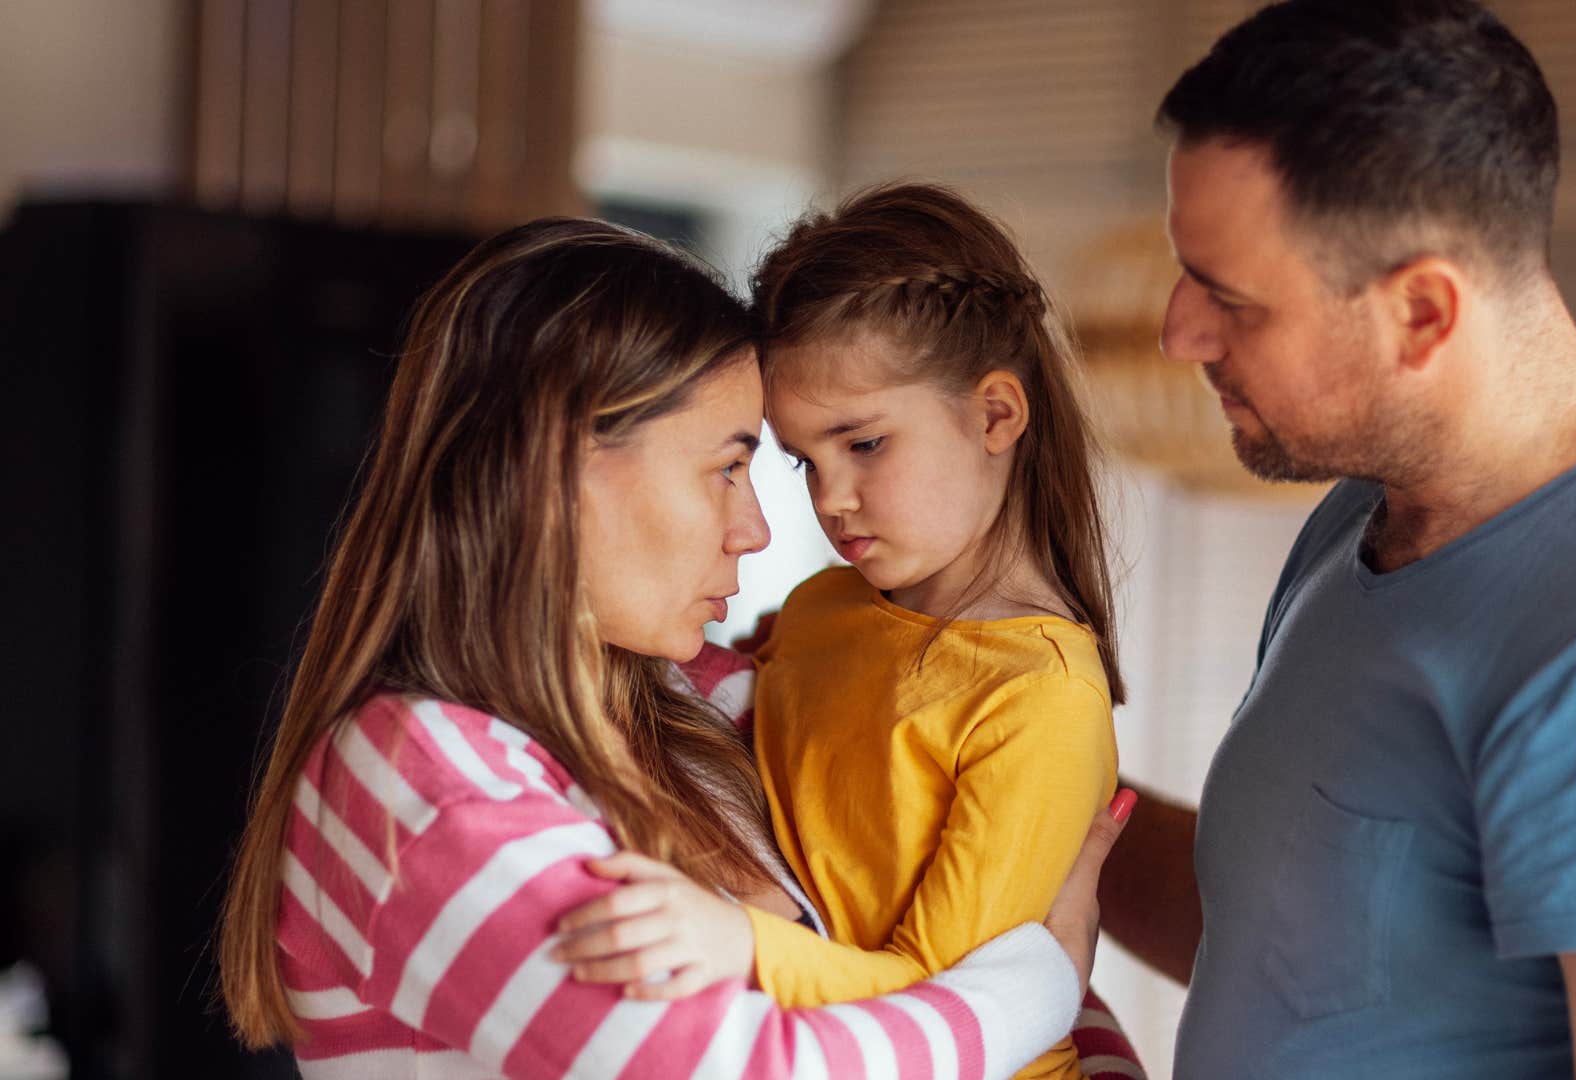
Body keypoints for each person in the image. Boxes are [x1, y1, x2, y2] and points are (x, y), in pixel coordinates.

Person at [1094, 1, 1576, 1077]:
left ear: (1423, 312)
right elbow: (1299, 945)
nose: (1177, 331)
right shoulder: (1365, 517)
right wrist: (967, 767)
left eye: (1231, 299)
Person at [216, 216, 1134, 1079]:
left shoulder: (710, 704)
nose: (760, 529)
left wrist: (1063, 1000)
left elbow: (952, 956)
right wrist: (1044, 981)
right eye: (729, 466)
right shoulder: (417, 777)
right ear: (559, 466)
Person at [554, 183, 1131, 1080]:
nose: (830, 501)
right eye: (802, 460)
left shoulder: (1039, 697)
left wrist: (737, 945)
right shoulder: (825, 608)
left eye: (863, 444)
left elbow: (937, 1008)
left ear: (995, 415)